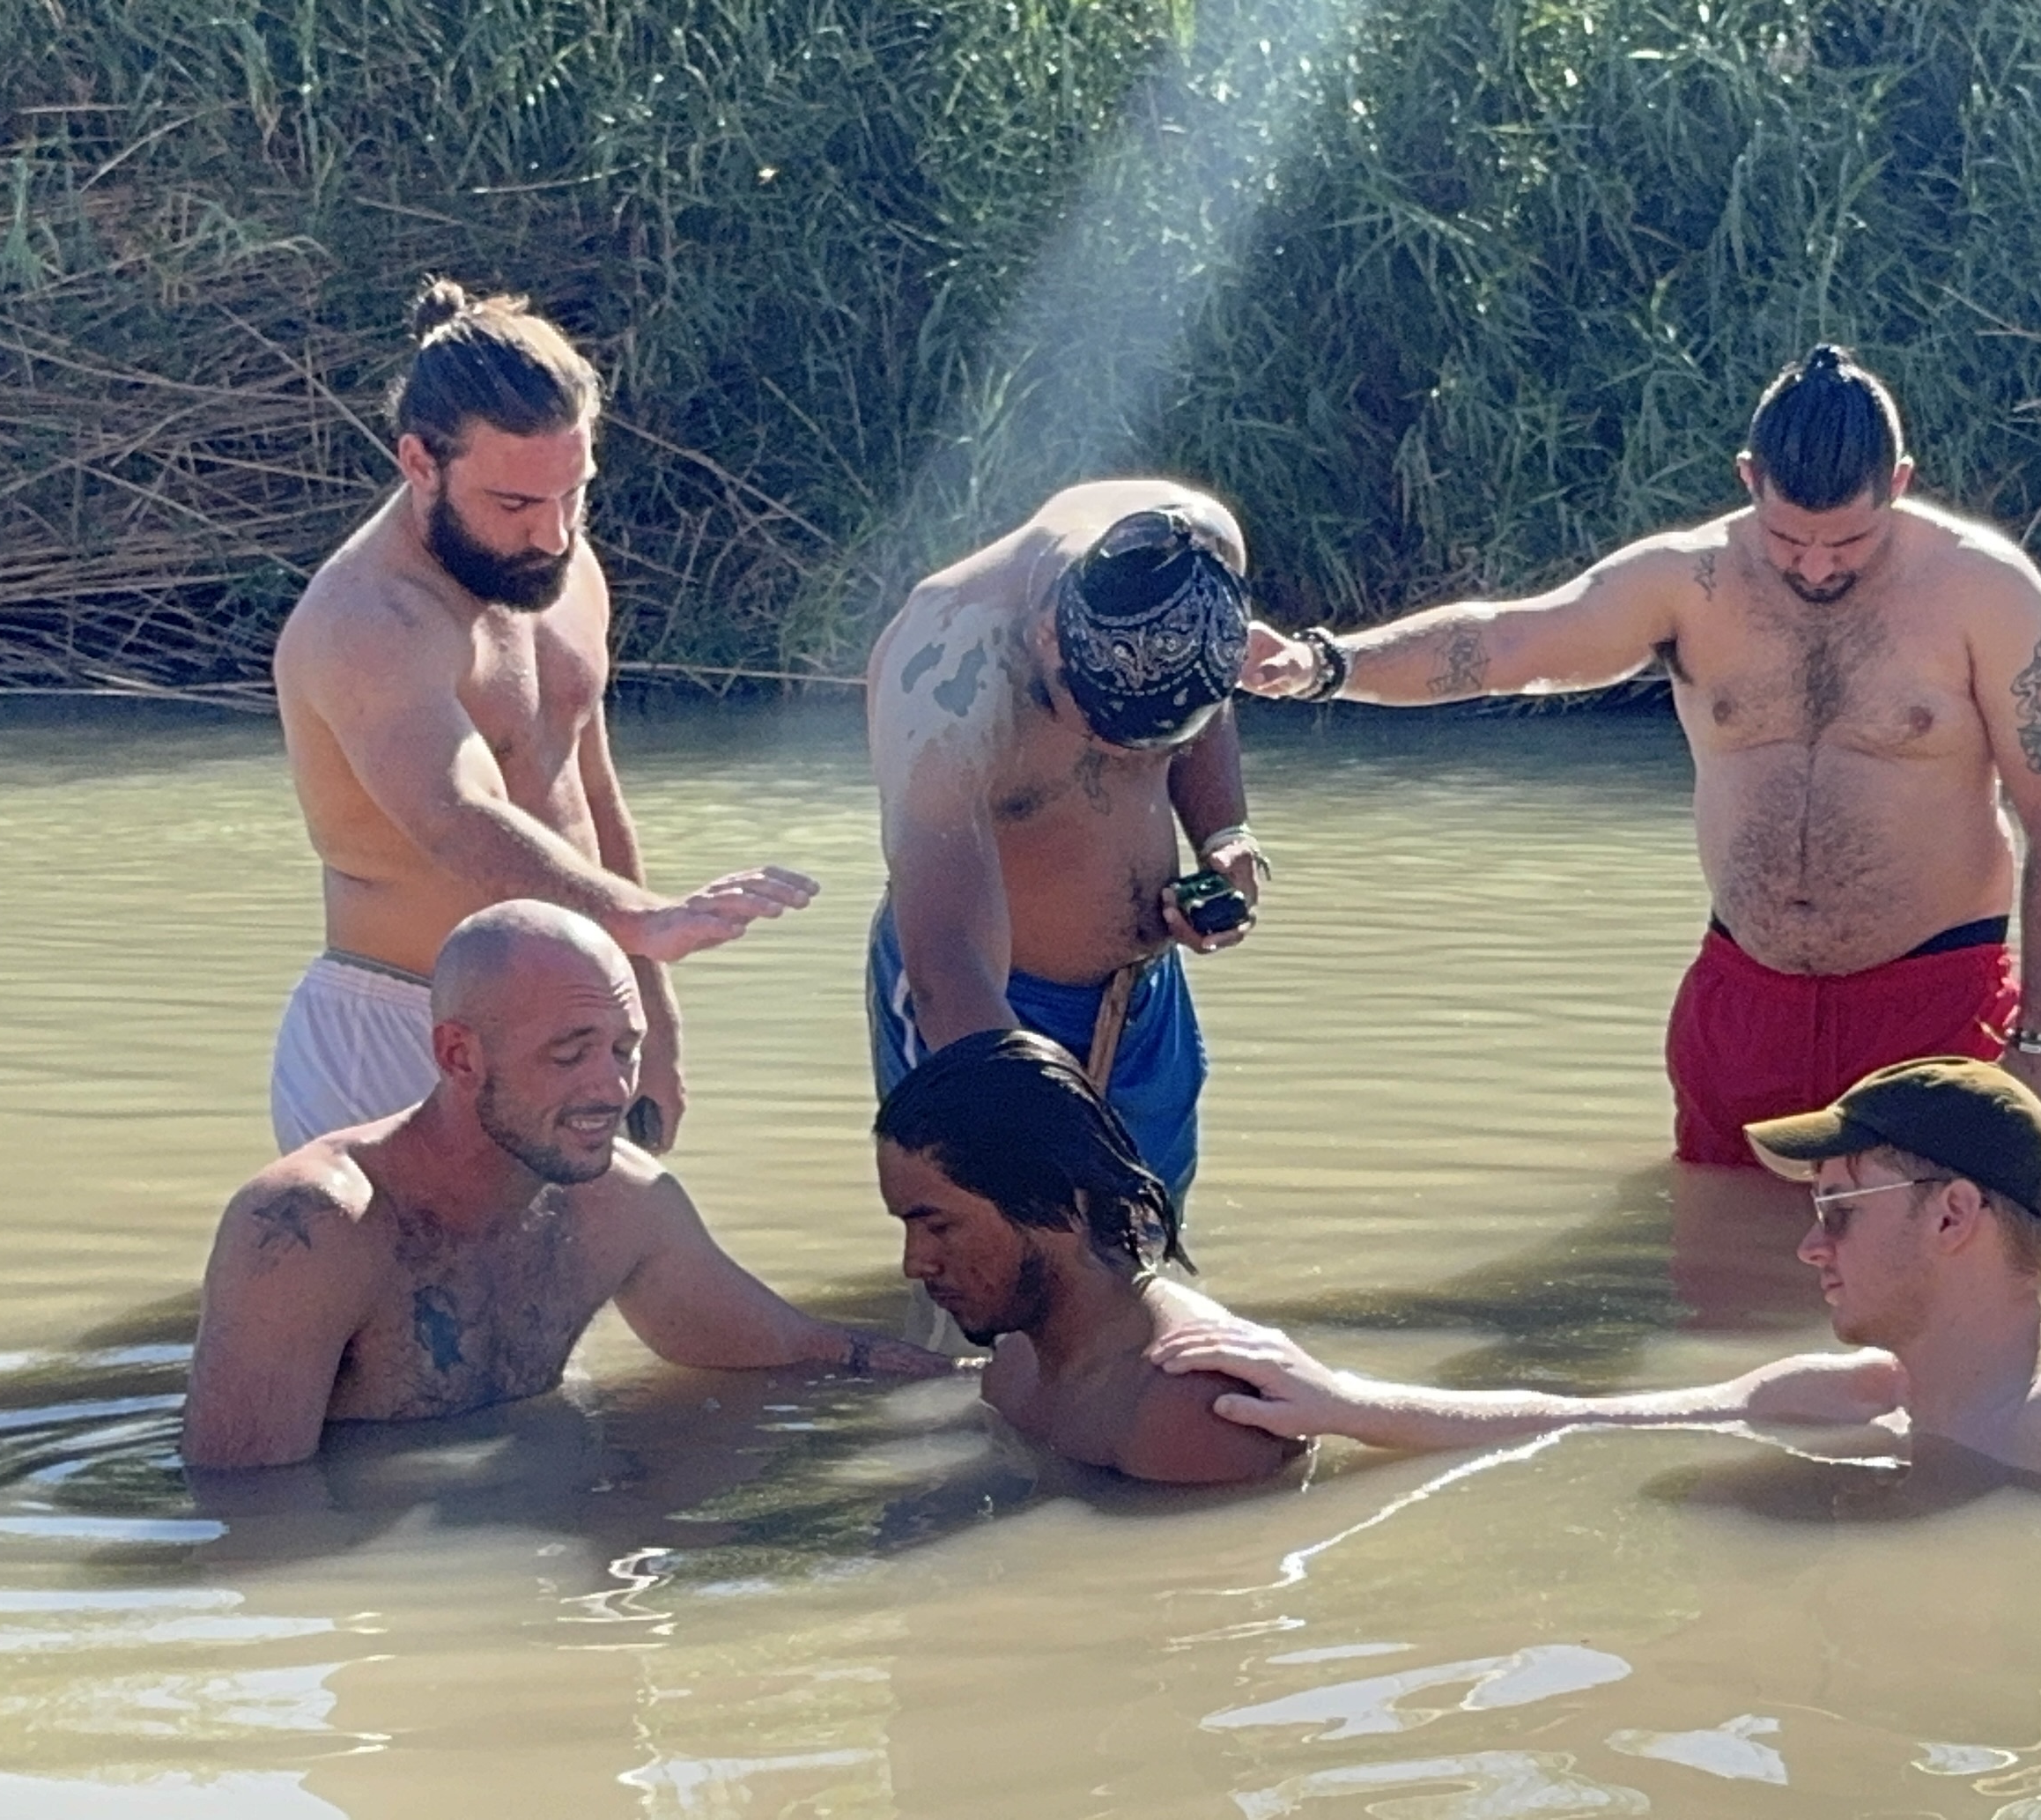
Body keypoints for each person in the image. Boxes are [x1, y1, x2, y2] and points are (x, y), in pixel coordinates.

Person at [1239, 347, 2041, 1151]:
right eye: (1788, 538)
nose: (1816, 566)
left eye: (1848, 541)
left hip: (1935, 1009)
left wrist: (2040, 1043)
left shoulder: (1986, 592)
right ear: (1748, 478)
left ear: (1899, 484)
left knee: (1933, 1256)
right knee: (1712, 1254)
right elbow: (1508, 644)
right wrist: (1324, 664)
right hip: (1743, 1007)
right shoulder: (1689, 581)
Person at [268, 278, 817, 1155]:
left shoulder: (562, 570)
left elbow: (590, 794)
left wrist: (651, 1019)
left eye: (574, 494)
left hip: (578, 1018)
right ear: (420, 463)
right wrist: (641, 920)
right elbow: (457, 817)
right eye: (516, 505)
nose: (554, 535)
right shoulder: (369, 620)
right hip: (405, 1027)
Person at [1151, 1058, 2041, 1496]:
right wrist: (1342, 1399)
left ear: (1954, 1214)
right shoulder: (1856, 1394)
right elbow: (1576, 1419)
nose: (1810, 1245)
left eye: (1839, 1205)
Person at [185, 902, 944, 1471]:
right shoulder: (310, 1227)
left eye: (623, 1050)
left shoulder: (623, 1202)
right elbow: (247, 1510)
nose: (611, 1089)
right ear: (459, 1057)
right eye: (569, 1053)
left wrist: (971, 1384)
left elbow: (793, 1350)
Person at [866, 482, 1268, 1195]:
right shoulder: (940, 671)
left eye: (1153, 743)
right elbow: (948, 967)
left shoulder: (1198, 556)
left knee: (1147, 1229)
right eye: (1102, 724)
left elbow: (1208, 698)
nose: (1125, 754)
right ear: (1047, 632)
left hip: (1143, 998)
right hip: (987, 1003)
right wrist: (1048, 1138)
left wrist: (1224, 835)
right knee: (1004, 1233)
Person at [875, 1028, 1304, 1485]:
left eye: (940, 1227)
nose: (915, 1263)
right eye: (909, 1228)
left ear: (1055, 1197)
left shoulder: (1186, 1406)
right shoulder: (1015, 1367)